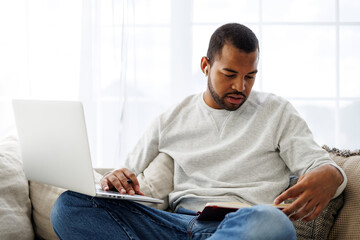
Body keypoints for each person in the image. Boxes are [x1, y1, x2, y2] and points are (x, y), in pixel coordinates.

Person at [51, 23, 346, 240]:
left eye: (250, 76)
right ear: (206, 66)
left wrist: (332, 175)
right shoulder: (171, 118)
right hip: (173, 226)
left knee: (273, 224)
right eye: (229, 74)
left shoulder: (277, 112)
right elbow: (126, 176)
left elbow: (319, 165)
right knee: (68, 206)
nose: (240, 87)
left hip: (240, 226)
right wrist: (114, 180)